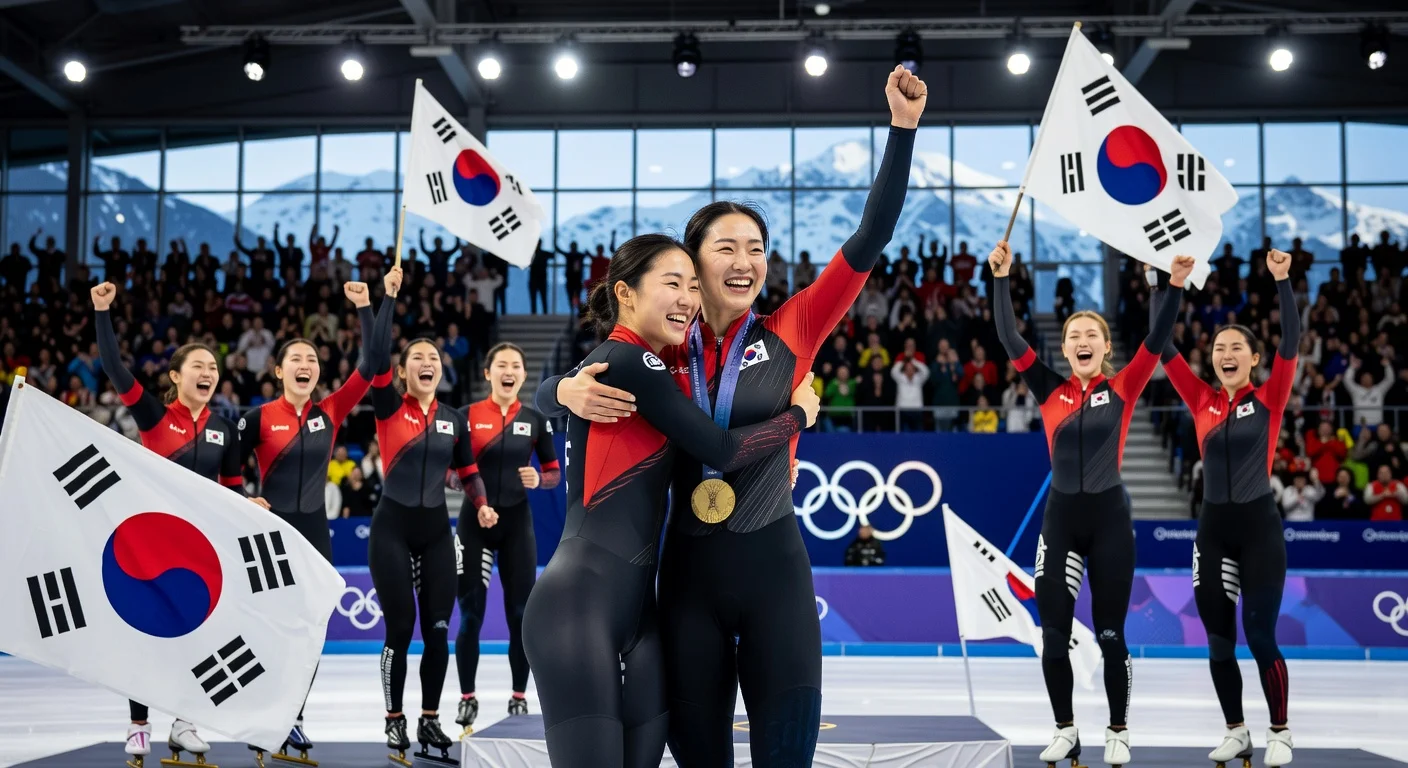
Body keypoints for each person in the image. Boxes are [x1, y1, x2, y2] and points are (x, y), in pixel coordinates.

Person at [539, 66, 924, 767]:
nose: (745, 260)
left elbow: (871, 237)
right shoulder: (663, 342)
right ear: (693, 262)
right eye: (726, 246)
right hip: (686, 584)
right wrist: (558, 392)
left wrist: (900, 131)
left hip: (774, 569)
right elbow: (588, 366)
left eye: (757, 248)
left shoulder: (793, 328)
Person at [523, 234, 818, 768]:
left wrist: (554, 391)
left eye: (691, 285)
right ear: (627, 293)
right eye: (672, 284)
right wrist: (800, 416)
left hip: (639, 612)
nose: (688, 297)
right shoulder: (634, 362)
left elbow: (562, 388)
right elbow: (724, 450)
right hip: (578, 604)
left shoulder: (630, 366)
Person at [991, 240, 1190, 768]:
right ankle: (1065, 729)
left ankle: (1118, 730)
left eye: (1091, 336)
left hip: (1108, 523)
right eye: (1074, 335)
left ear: (1106, 349)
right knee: (1052, 632)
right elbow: (1010, 336)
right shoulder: (1049, 388)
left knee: (1109, 635)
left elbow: (1158, 336)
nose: (1081, 341)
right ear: (1065, 348)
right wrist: (1001, 278)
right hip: (1060, 521)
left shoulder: (1124, 387)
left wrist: (1169, 283)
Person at [1149, 247, 1299, 767]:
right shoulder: (1200, 400)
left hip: (1259, 532)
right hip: (1212, 534)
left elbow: (1293, 343)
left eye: (1236, 347)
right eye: (1219, 347)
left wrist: (1282, 282)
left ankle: (1280, 731)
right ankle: (1236, 730)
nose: (1225, 352)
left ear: (1254, 359)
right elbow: (1160, 347)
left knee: (1260, 636)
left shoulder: (1272, 396)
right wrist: (1161, 285)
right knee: (1218, 643)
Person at [235, 274, 393, 758]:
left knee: (309, 629)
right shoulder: (258, 418)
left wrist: (370, 305)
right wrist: (243, 497)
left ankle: (294, 716)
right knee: (268, 626)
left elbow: (371, 364)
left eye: (312, 360)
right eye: (296, 360)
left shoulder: (330, 409)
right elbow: (225, 470)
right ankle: (261, 713)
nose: (305, 365)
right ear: (278, 372)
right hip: (270, 532)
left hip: (314, 535)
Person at [93, 281, 249, 768]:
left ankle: (184, 722)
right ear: (177, 377)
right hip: (150, 545)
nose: (209, 372)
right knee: (147, 633)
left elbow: (233, 487)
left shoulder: (225, 427)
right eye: (198, 366)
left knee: (198, 635)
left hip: (201, 551)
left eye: (213, 367)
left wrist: (251, 507)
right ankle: (139, 726)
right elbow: (116, 369)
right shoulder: (155, 414)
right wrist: (103, 312)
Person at [368, 293, 494, 760]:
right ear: (402, 372)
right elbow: (375, 354)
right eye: (417, 358)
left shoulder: (453, 419)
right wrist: (384, 301)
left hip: (439, 531)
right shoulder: (386, 405)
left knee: (439, 629)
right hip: (391, 530)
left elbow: (469, 472)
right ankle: (394, 720)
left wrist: (480, 503)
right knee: (400, 631)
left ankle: (429, 721)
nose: (427, 362)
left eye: (433, 358)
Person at [452, 342, 562, 731]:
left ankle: (519, 696)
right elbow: (451, 473)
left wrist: (539, 479)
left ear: (521, 374)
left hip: (517, 524)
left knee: (520, 616)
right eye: (501, 364)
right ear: (488, 373)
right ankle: (467, 698)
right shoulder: (465, 417)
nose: (509, 370)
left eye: (516, 365)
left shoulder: (534, 419)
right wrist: (476, 497)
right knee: (471, 616)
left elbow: (553, 473)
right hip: (473, 523)